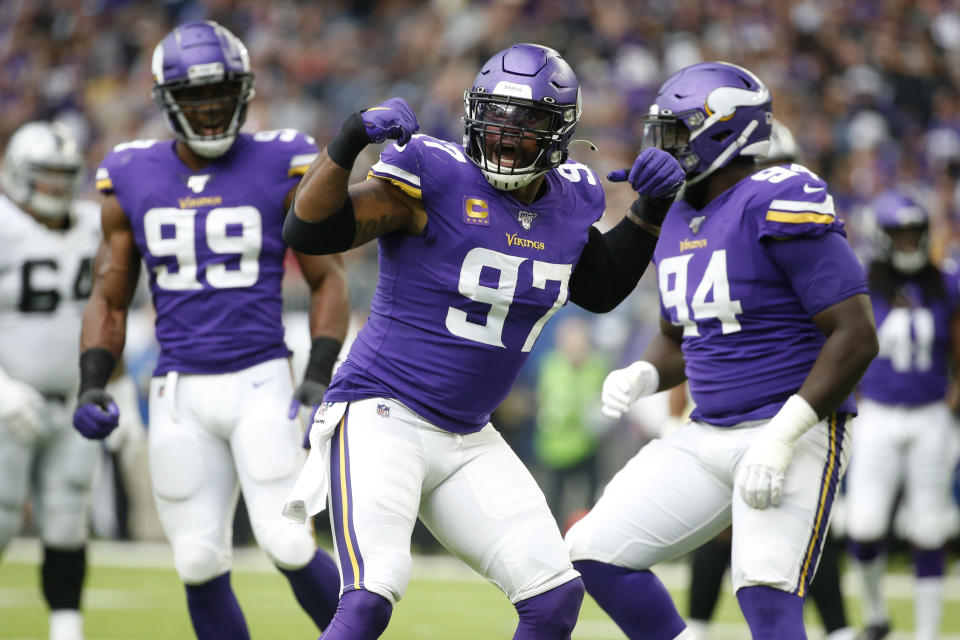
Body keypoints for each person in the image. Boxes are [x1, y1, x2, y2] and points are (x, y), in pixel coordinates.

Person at [280, 43, 685, 640]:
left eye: (526, 124)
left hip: (467, 432)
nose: (505, 136)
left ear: (559, 131)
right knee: (370, 596)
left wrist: (653, 207)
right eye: (495, 116)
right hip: (380, 412)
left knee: (553, 597)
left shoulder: (572, 198)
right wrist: (346, 142)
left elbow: (598, 289)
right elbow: (309, 230)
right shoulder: (433, 173)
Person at [564, 61, 879, 640]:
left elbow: (856, 335)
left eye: (677, 133)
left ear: (725, 130)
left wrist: (784, 436)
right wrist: (640, 373)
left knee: (764, 586)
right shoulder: (680, 213)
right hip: (706, 429)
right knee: (591, 550)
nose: (664, 149)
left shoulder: (780, 194)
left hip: (793, 425)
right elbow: (680, 337)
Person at [70, 21, 349, 639]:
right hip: (178, 390)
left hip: (261, 379)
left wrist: (315, 379)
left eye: (222, 92)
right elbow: (109, 295)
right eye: (196, 95)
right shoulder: (131, 172)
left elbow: (327, 279)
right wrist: (92, 381)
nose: (212, 107)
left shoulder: (285, 159)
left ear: (245, 91)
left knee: (287, 541)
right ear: (166, 100)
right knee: (197, 556)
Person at [684, 120, 856, 640]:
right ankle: (696, 624)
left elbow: (848, 332)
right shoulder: (720, 231)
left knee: (800, 539)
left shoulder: (801, 229)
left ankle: (840, 627)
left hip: (802, 413)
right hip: (737, 414)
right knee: (737, 537)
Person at [0, 120, 136, 640]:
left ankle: (66, 629)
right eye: (46, 175)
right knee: (4, 516)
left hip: (76, 400)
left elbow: (109, 312)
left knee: (67, 516)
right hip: (10, 401)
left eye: (64, 176)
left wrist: (117, 385)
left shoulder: (91, 224)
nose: (57, 187)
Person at [844, 190, 960, 640]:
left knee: (930, 529)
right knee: (865, 524)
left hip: (930, 414)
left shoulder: (944, 282)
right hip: (878, 412)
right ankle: (876, 617)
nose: (909, 241)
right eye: (900, 233)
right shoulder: (864, 281)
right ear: (883, 237)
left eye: (915, 232)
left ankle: (927, 634)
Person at [534, 314, 610, 526]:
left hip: (588, 444)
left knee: (591, 496)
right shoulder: (551, 366)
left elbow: (600, 401)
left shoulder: (597, 365)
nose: (577, 349)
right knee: (553, 500)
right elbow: (550, 405)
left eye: (581, 343)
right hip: (556, 447)